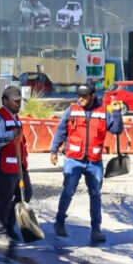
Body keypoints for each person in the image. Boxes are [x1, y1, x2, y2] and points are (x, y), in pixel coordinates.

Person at [50, 81, 124, 243]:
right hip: (73, 159)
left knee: (96, 195)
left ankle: (96, 230)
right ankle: (60, 221)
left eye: (84, 96)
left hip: (94, 161)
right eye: (79, 96)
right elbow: (61, 130)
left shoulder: (103, 112)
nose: (81, 99)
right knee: (68, 191)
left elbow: (117, 129)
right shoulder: (72, 110)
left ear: (92, 96)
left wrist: (118, 113)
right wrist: (54, 150)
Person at [0, 85, 31, 254]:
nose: (19, 104)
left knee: (25, 194)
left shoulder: (16, 117)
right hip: (2, 166)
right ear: (5, 101)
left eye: (20, 101)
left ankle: (10, 226)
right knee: (4, 199)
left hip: (18, 166)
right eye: (16, 101)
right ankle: (0, 232)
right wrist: (9, 136)